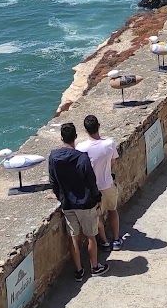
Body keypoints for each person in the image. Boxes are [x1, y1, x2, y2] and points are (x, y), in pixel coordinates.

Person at [47, 122, 108, 279]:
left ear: (62, 138)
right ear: (75, 137)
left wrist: (60, 197)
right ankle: (95, 267)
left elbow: (53, 182)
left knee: (73, 237)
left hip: (68, 204)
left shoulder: (53, 157)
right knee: (91, 236)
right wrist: (97, 198)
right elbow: (91, 182)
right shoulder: (82, 158)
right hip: (86, 203)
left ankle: (79, 271)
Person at [77, 114, 121, 249]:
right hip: (108, 184)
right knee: (113, 210)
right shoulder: (109, 143)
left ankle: (105, 241)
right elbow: (113, 162)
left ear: (85, 130)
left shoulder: (81, 148)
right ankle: (116, 239)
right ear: (99, 126)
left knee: (98, 216)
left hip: (93, 189)